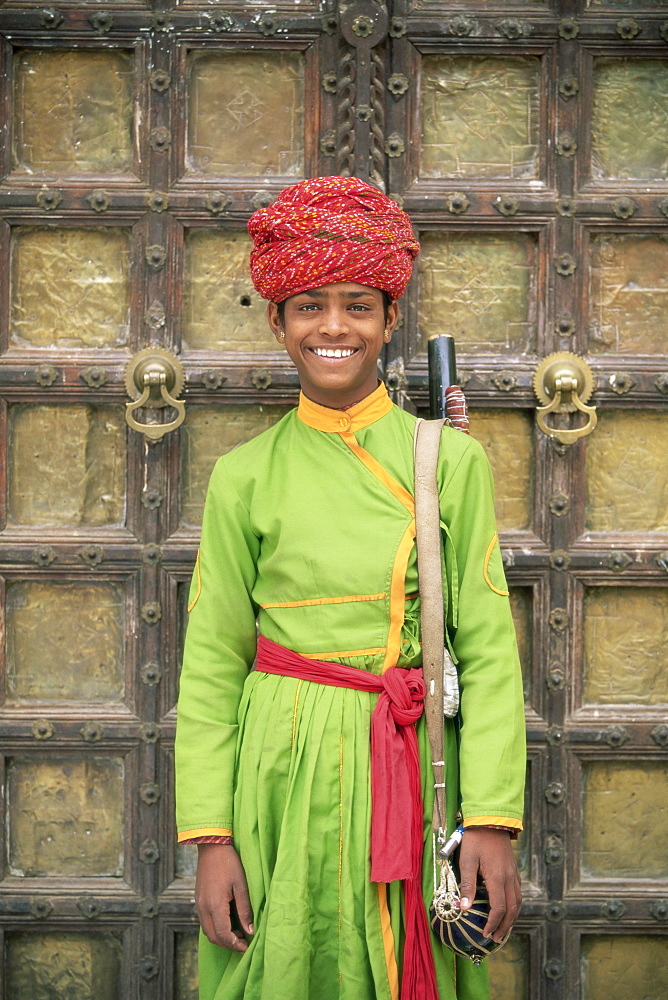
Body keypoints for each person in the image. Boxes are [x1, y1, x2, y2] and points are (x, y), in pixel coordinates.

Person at [174, 176, 526, 1000]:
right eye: (309, 306)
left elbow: (488, 650)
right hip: (277, 773)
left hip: (409, 765)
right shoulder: (242, 476)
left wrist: (493, 819)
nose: (334, 327)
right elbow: (213, 663)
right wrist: (213, 838)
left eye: (358, 305)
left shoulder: (450, 462)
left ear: (390, 318)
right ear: (277, 320)